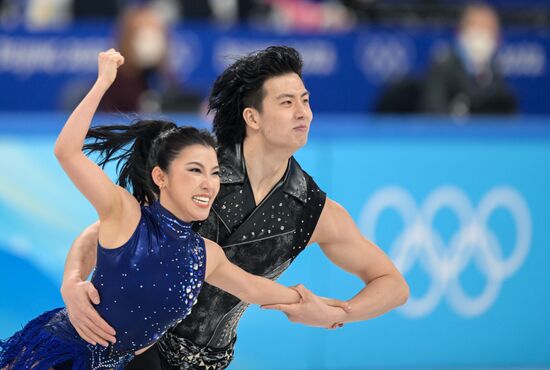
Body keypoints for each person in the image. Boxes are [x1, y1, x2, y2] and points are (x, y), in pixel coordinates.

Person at [61, 46, 410, 370]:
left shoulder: (314, 211)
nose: (303, 112)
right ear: (252, 117)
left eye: (305, 100)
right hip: (134, 350)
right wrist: (73, 282)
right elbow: (104, 231)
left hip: (210, 362)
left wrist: (340, 312)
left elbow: (393, 285)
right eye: (287, 102)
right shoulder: (199, 171)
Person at [0, 49, 346, 369]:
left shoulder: (205, 255)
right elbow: (67, 152)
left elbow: (255, 289)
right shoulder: (127, 215)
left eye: (214, 173)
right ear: (160, 177)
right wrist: (103, 82)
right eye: (194, 171)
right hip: (58, 356)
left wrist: (318, 307)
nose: (208, 184)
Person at [419, 2, 517, 116]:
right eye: (476, 27)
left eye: (488, 29)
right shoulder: (443, 66)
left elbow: (505, 112)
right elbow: (434, 112)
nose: (482, 35)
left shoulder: (494, 69)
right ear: (461, 30)